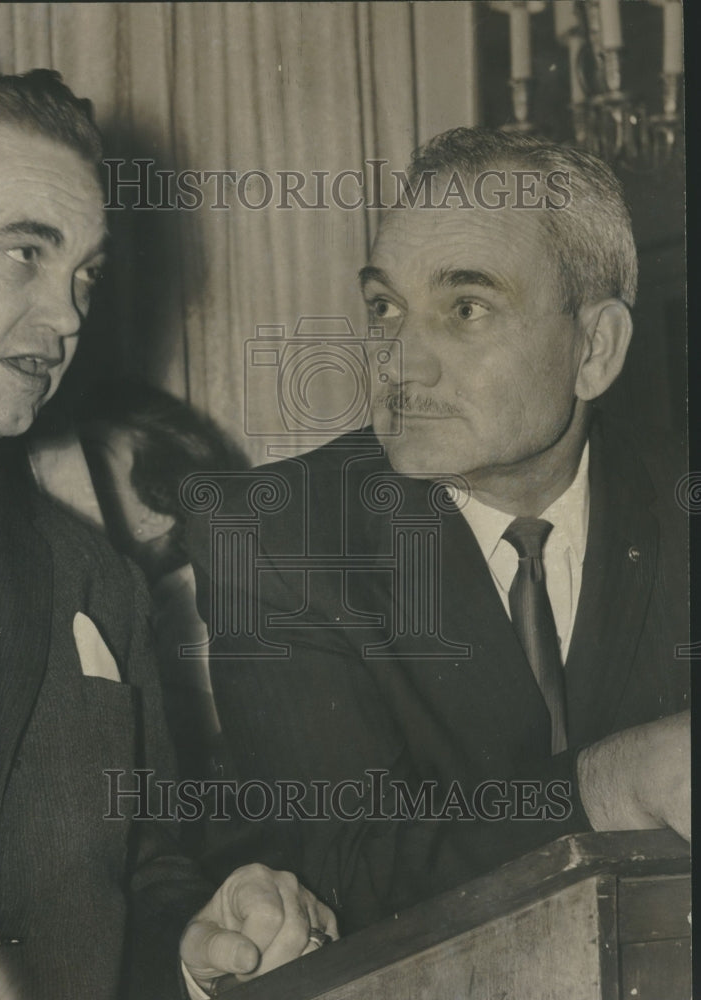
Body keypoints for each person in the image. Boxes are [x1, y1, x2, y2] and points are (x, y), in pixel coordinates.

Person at [0, 71, 336, 1000]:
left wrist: (196, 947)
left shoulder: (98, 578)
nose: (66, 317)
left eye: (85, 277)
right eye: (26, 252)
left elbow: (142, 878)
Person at [186, 127, 690, 932]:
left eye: (465, 309)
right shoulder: (278, 537)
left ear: (594, 349)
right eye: (386, 307)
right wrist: (611, 786)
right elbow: (346, 867)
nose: (398, 365)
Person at [78, 381, 249, 781]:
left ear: (156, 513)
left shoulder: (190, 603)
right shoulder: (154, 594)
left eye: (94, 464)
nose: (72, 480)